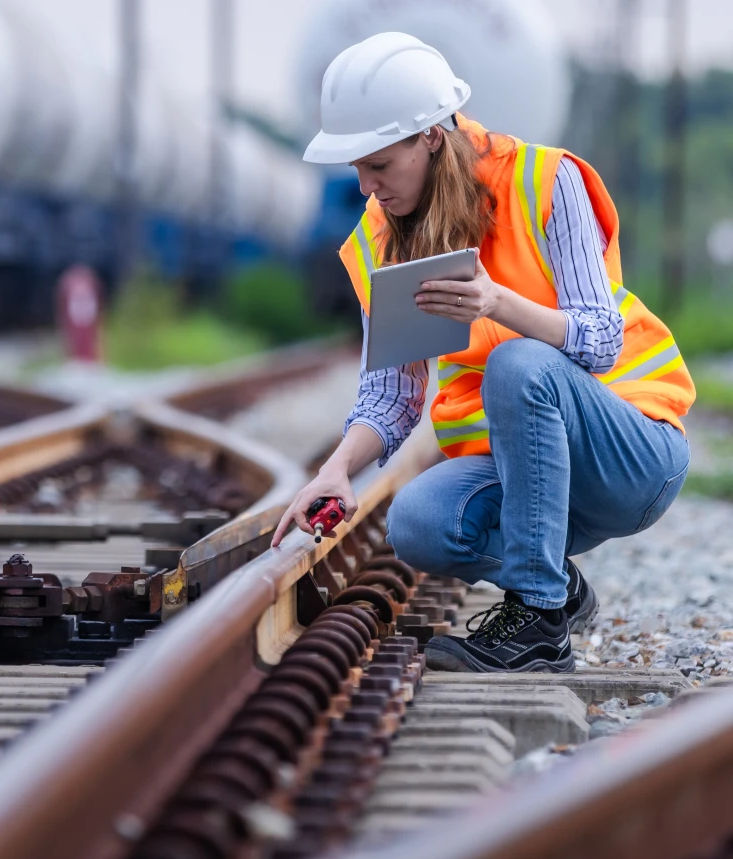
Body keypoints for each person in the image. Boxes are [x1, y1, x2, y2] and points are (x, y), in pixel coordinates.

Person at [272, 33, 694, 673]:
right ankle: (560, 587)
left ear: (431, 138)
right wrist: (337, 470)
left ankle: (539, 620)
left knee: (517, 364)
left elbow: (601, 341)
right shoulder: (382, 239)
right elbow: (392, 396)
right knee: (418, 521)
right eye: (355, 168)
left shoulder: (545, 180)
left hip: (631, 450)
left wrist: (498, 305)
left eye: (379, 164)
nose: (367, 187)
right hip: (531, 471)